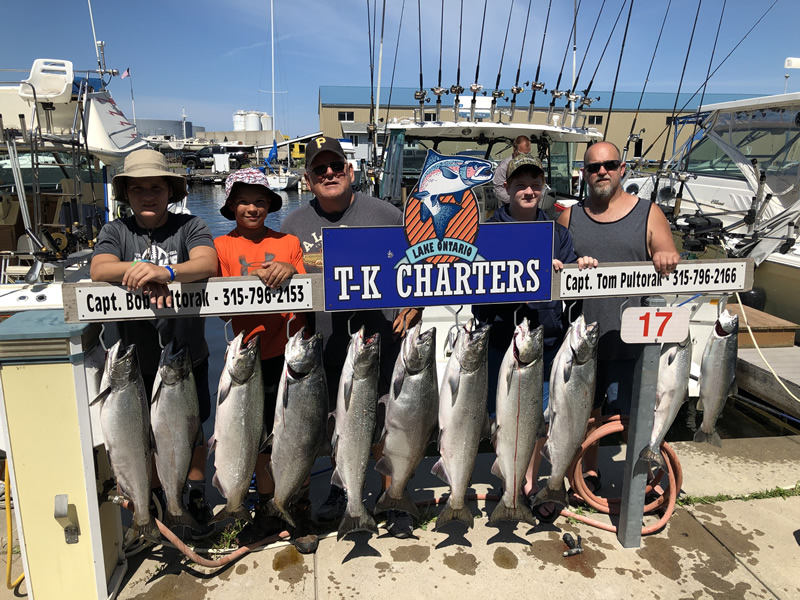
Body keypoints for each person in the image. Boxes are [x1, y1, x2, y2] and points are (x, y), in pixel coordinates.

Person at [281, 136, 422, 539]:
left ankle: (392, 497)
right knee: (326, 429)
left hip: (378, 346)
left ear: (350, 171)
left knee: (384, 426)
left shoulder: (387, 214)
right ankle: (341, 496)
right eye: (320, 170)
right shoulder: (293, 225)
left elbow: (420, 264)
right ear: (308, 180)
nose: (329, 174)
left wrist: (416, 306)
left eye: (336, 167)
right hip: (320, 351)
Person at [90, 148, 218, 539]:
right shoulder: (116, 231)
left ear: (170, 192)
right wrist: (139, 271)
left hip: (185, 358)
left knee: (189, 431)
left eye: (156, 188)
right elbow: (99, 269)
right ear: (126, 194)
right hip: (134, 364)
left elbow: (207, 263)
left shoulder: (190, 225)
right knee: (139, 435)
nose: (148, 195)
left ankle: (192, 495)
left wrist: (166, 270)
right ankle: (156, 499)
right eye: (139, 189)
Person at [473, 153, 597, 522]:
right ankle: (509, 480)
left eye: (534, 184)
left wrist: (578, 269)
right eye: (520, 184)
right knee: (503, 417)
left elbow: (571, 284)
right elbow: (475, 282)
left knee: (539, 418)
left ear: (542, 188)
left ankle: (528, 483)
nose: (528, 190)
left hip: (546, 342)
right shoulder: (487, 230)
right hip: (501, 343)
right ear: (506, 189)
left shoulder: (558, 232)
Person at [557, 141, 680, 492]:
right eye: (594, 167)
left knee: (635, 413)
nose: (602, 172)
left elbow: (667, 252)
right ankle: (588, 472)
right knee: (585, 415)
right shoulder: (570, 216)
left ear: (622, 169)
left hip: (635, 338)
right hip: (584, 340)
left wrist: (667, 256)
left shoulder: (648, 212)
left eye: (609, 164)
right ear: (584, 173)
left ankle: (645, 474)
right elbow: (555, 270)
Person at [213, 169, 307, 546]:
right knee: (255, 439)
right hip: (246, 361)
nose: (252, 208)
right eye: (244, 201)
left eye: (260, 201)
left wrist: (289, 268)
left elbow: (306, 287)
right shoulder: (221, 246)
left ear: (271, 205)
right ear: (231, 205)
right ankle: (266, 508)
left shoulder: (289, 241)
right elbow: (219, 308)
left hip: (290, 358)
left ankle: (295, 508)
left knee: (292, 436)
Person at [492, 135, 532, 206]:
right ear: (514, 150)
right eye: (522, 154)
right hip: (509, 209)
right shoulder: (504, 166)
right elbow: (498, 189)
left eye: (528, 154)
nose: (525, 157)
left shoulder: (531, 164)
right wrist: (517, 200)